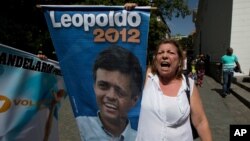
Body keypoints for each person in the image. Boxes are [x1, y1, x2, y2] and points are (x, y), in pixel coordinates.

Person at [136, 39, 212, 141]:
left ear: (180, 60)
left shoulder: (189, 85)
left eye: (170, 52)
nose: (164, 56)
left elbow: (201, 122)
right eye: (160, 52)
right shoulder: (148, 77)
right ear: (155, 59)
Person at [76, 45, 143, 141]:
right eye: (103, 86)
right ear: (94, 86)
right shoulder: (76, 125)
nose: (111, 96)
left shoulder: (140, 138)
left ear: (134, 99)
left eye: (120, 91)